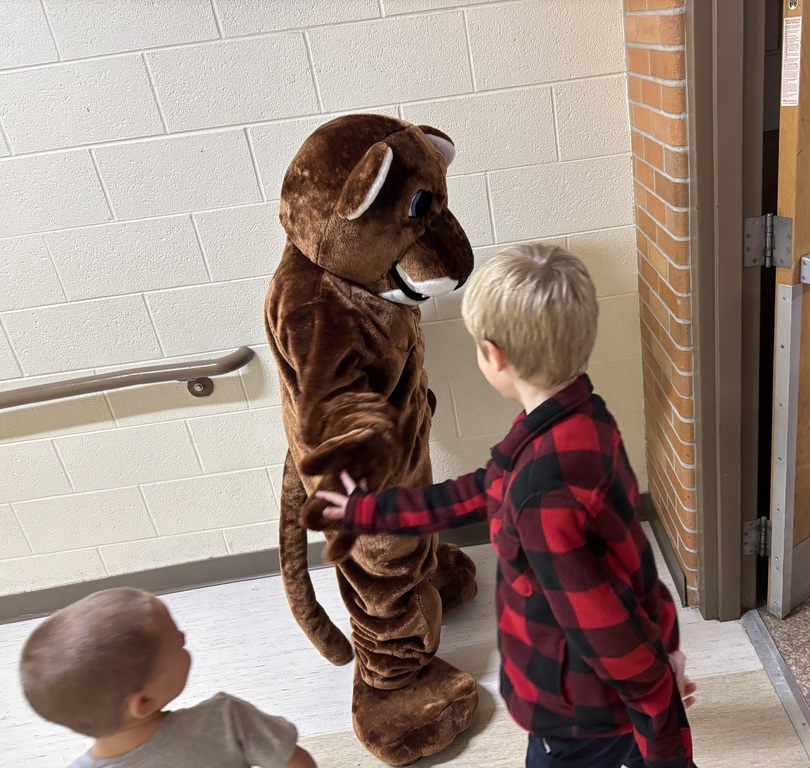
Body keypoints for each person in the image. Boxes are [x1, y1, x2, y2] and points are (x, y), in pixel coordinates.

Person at [311, 243, 697, 768]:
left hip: (576, 712)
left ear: (494, 355)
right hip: (607, 693)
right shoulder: (581, 421)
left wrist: (662, 723)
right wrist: (368, 512)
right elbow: (483, 492)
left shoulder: (543, 497)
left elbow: (606, 626)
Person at [19, 587, 317, 768]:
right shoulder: (226, 720)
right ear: (144, 701)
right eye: (178, 641)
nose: (184, 635)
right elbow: (295, 762)